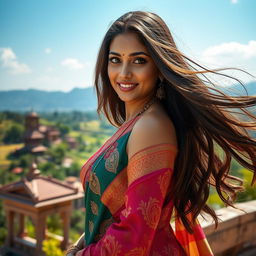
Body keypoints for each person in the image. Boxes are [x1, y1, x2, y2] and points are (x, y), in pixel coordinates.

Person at [66, 11, 256, 256]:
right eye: (115, 59)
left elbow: (134, 236)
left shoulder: (151, 126)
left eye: (139, 60)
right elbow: (117, 213)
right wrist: (84, 241)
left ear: (159, 66)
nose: (124, 73)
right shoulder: (138, 123)